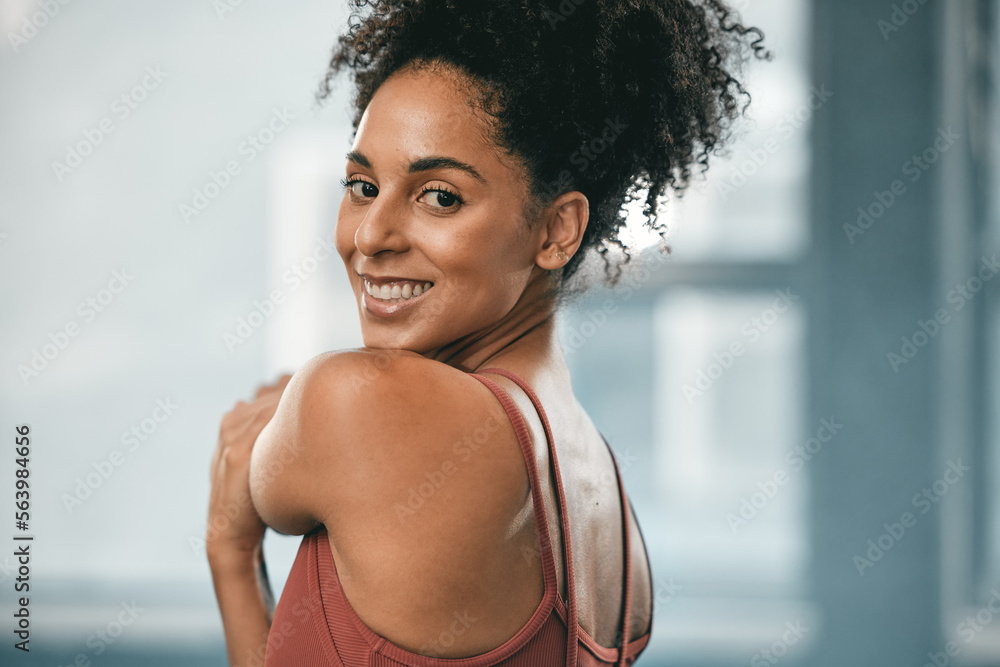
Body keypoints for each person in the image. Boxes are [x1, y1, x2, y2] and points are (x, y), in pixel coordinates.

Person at [206, 1, 768, 665]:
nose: (369, 235)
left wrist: (232, 542)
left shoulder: (356, 400)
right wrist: (234, 559)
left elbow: (262, 469)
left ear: (556, 229)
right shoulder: (601, 489)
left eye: (439, 195)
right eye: (362, 184)